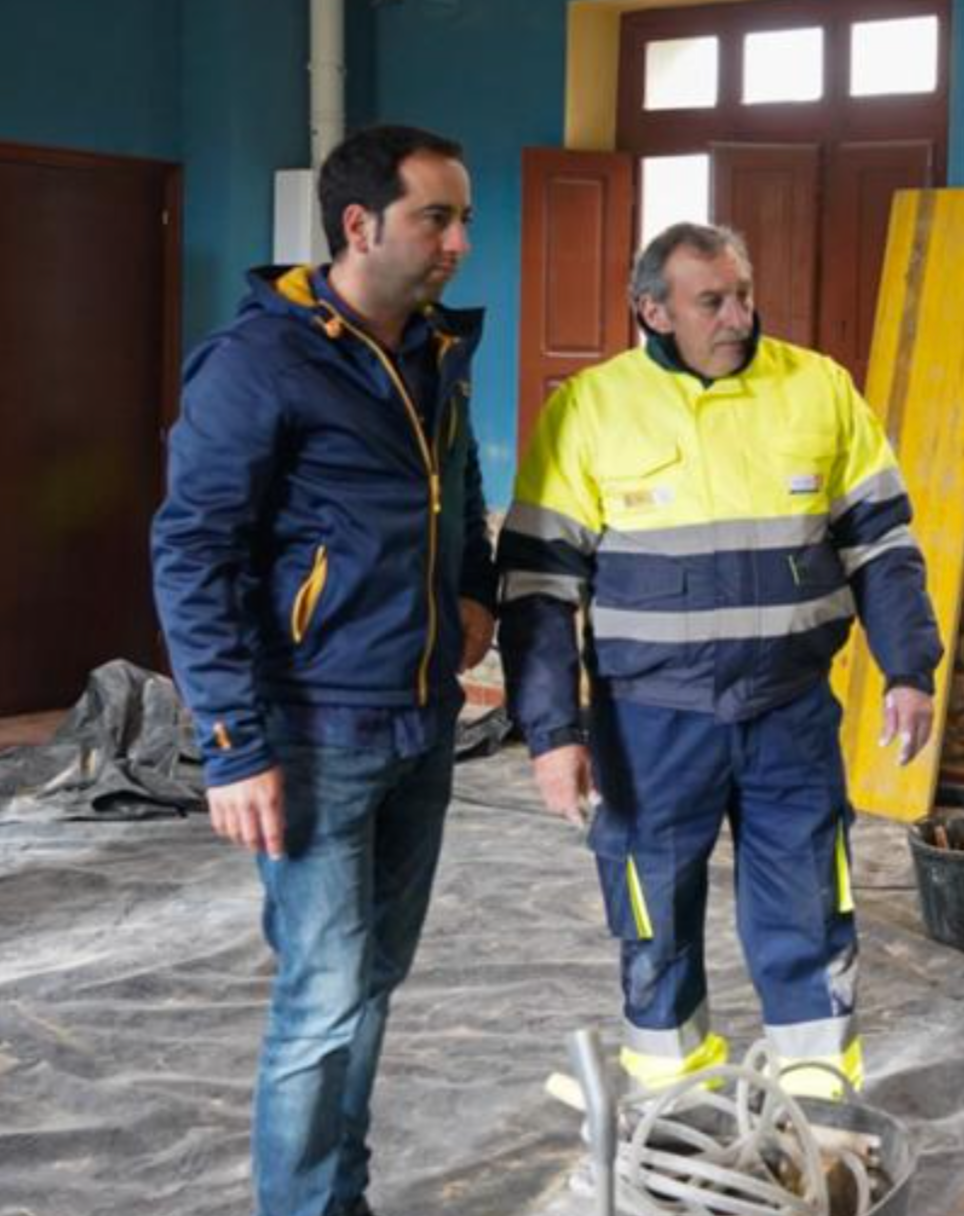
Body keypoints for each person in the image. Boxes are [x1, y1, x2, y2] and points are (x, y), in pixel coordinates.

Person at [497, 222, 941, 1099]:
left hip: (790, 712)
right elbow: (539, 587)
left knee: (810, 899)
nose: (739, 316)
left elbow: (883, 546)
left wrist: (909, 668)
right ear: (653, 311)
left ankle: (816, 1097)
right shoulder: (590, 408)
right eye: (712, 301)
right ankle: (672, 1090)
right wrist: (552, 734)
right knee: (653, 909)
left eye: (743, 294)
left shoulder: (818, 388)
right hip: (650, 723)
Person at [150, 124, 492, 1216]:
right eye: (437, 218)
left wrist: (475, 588)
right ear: (360, 224)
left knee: (371, 982)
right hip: (313, 731)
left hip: (420, 718)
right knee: (324, 998)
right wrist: (230, 744)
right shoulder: (261, 362)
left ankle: (339, 1198)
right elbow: (193, 553)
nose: (459, 242)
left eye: (463, 219)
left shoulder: (436, 350)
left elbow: (458, 483)